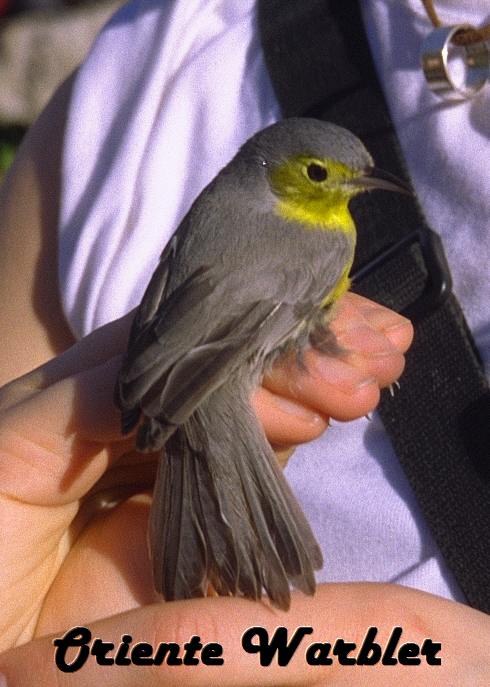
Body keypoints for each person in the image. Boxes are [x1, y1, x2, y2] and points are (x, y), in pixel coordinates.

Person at [0, 0, 488, 684]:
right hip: (215, 371)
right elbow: (241, 334)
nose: (350, 187)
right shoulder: (189, 60)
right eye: (323, 174)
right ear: (281, 172)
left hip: (173, 364)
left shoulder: (246, 200)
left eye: (358, 176)